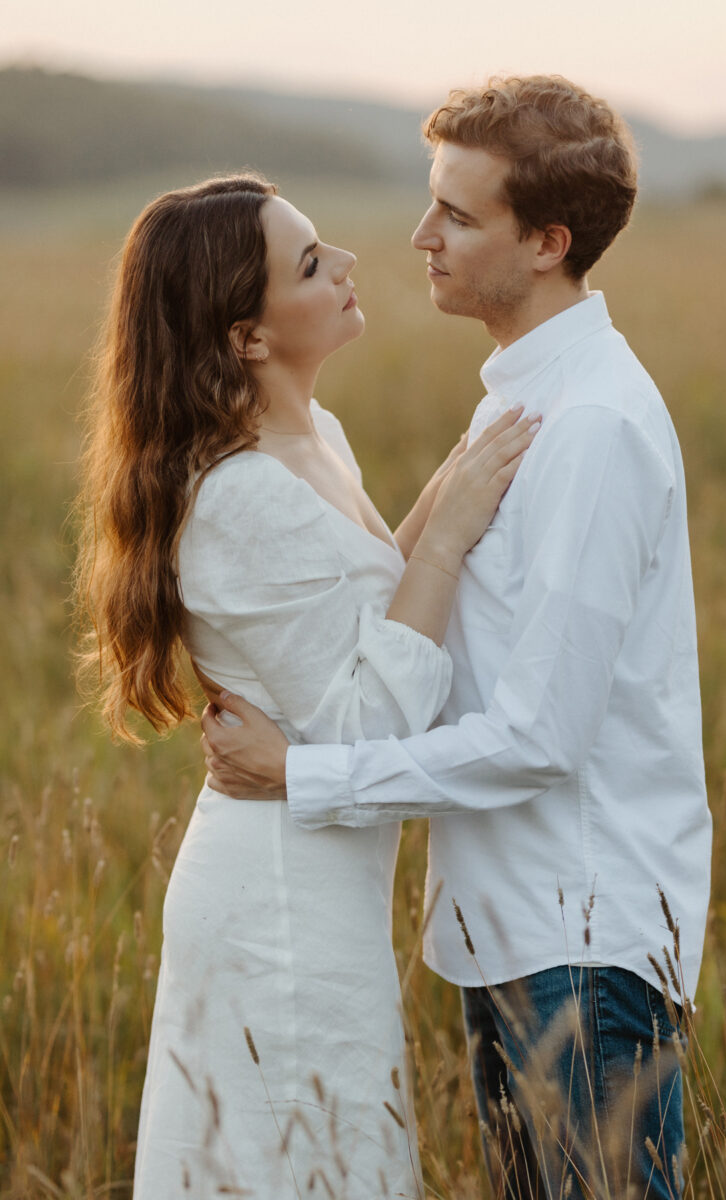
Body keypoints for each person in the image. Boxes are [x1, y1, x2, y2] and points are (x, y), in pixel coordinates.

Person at [201, 76, 714, 1199]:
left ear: (546, 242)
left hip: (577, 944)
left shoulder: (585, 430)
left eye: (458, 216)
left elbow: (539, 736)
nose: (419, 236)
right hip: (511, 930)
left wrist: (303, 775)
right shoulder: (516, 401)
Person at [74, 172, 538, 1199]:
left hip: (322, 871)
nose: (349, 267)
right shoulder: (238, 496)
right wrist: (451, 529)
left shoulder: (310, 439)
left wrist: (435, 496)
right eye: (311, 263)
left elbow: (363, 609)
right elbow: (370, 717)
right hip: (281, 896)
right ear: (245, 335)